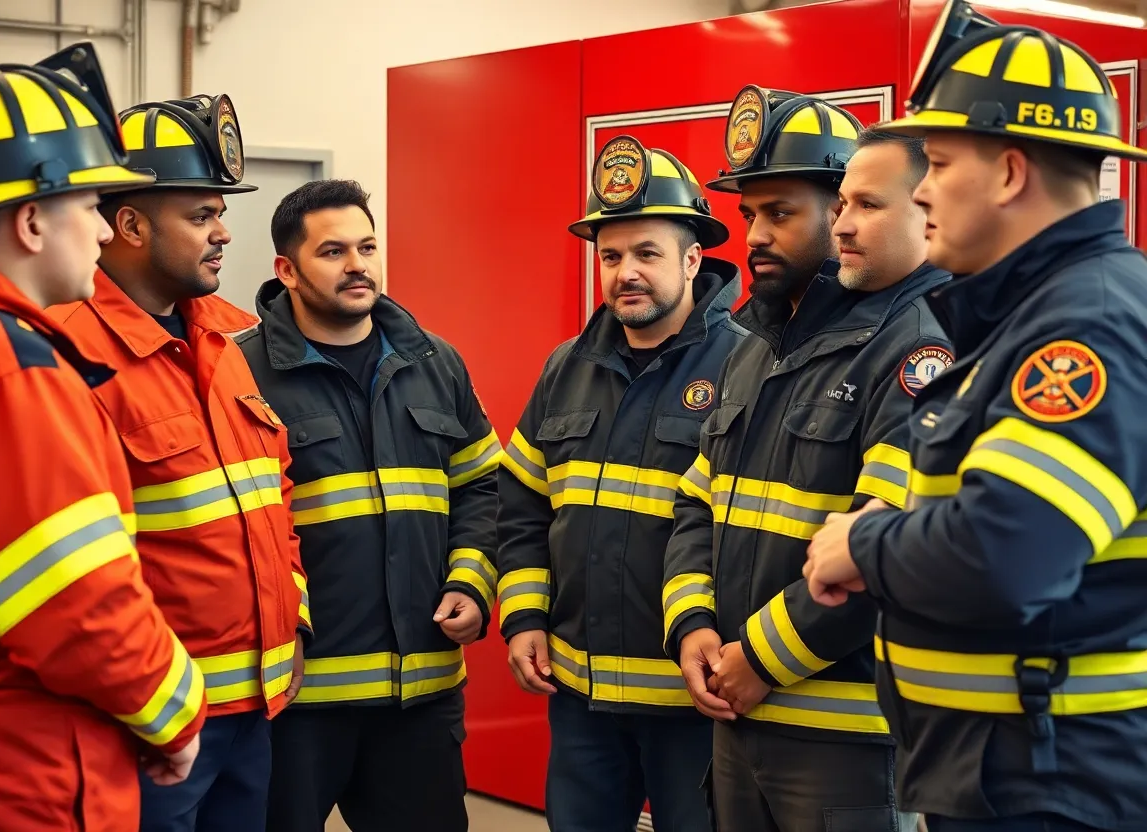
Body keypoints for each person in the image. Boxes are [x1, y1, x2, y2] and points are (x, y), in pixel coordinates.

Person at [803, 4, 1147, 830]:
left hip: (1053, 786)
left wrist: (862, 542)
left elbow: (1006, 555)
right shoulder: (1035, 314)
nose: (922, 188)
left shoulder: (1084, 326)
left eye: (942, 161)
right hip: (1009, 771)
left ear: (1009, 173)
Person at [0, 43, 206, 832]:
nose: (100, 229)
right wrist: (177, 715)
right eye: (87, 206)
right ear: (29, 221)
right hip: (20, 777)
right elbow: (80, 609)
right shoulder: (7, 372)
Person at [662, 85, 952, 832]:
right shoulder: (754, 344)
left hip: (846, 733)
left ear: (840, 208)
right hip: (737, 715)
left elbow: (887, 548)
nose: (755, 234)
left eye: (780, 213)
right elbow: (699, 502)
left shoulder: (919, 347)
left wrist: (759, 659)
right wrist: (693, 623)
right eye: (749, 214)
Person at [49, 93, 308, 832]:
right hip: (148, 728)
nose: (224, 232)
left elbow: (273, 491)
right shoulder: (68, 352)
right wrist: (153, 707)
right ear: (129, 224)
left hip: (254, 709)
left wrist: (293, 617)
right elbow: (73, 564)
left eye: (220, 212)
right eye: (201, 216)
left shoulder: (229, 339)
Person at [496, 136, 746, 832]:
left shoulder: (749, 367)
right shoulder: (566, 367)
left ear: (694, 259)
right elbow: (519, 506)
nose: (624, 273)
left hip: (693, 702)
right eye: (610, 256)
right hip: (580, 698)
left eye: (646, 254)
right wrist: (523, 617)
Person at [237, 178, 500, 832]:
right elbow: (235, 528)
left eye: (368, 246)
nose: (358, 264)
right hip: (298, 704)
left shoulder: (437, 362)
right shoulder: (237, 374)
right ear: (287, 271)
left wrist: (472, 577)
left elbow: (483, 489)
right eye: (333, 252)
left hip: (421, 698)